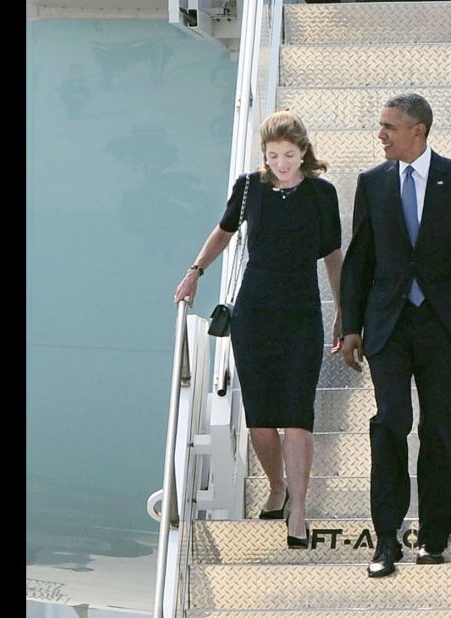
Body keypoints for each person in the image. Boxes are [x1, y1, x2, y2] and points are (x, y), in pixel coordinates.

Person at [340, 93, 451, 577]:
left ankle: (433, 535)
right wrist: (350, 327)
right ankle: (386, 540)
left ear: (418, 130)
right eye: (381, 126)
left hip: (443, 324)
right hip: (387, 323)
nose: (381, 134)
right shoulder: (372, 182)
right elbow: (359, 259)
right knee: (391, 423)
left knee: (442, 430)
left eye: (389, 126)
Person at [173, 110, 343, 550]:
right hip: (255, 313)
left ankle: (299, 512)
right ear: (264, 156)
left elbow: (332, 256)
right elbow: (224, 232)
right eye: (273, 156)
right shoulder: (249, 188)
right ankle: (276, 486)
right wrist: (195, 271)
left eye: (289, 154)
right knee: (261, 421)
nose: (281, 163)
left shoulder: (322, 195)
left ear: (303, 152)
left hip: (302, 314)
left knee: (297, 414)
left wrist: (345, 310)